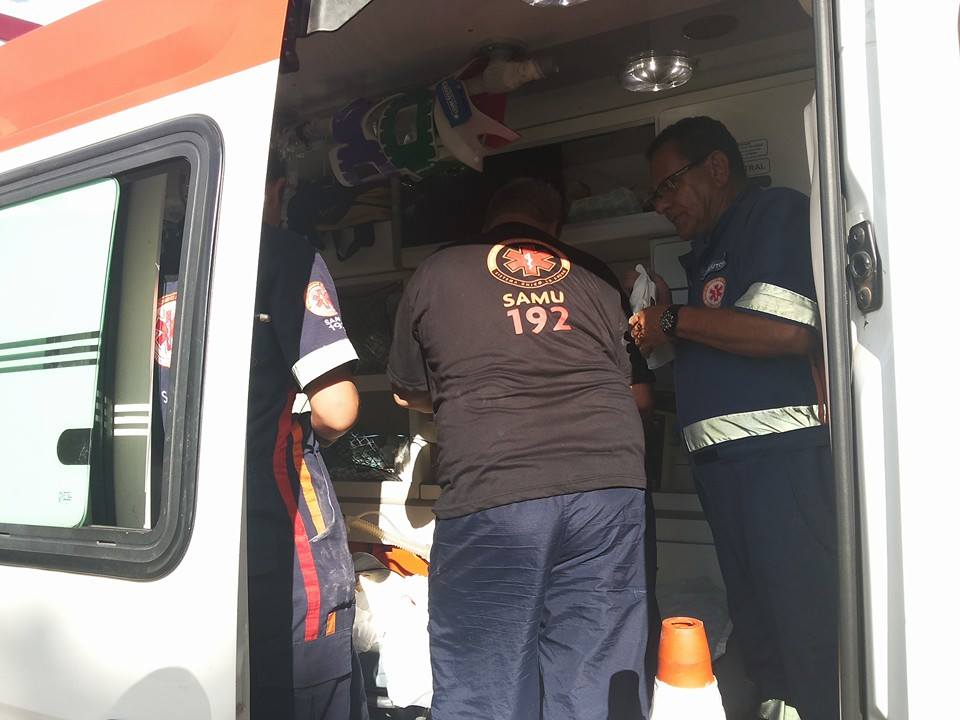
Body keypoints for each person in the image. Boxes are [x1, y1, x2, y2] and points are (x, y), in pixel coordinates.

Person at [387, 177, 654, 720]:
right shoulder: (592, 274)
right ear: (554, 229)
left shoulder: (438, 270)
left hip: (498, 486)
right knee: (595, 676)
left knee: (485, 681)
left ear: (491, 222)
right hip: (606, 487)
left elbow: (406, 388)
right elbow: (638, 393)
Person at [631, 116, 838, 720]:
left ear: (717, 168)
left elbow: (786, 330)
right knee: (760, 625)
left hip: (780, 462)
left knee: (805, 622)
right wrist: (668, 324)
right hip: (729, 470)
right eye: (655, 195)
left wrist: (672, 321)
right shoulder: (709, 252)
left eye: (669, 186)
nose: (662, 205)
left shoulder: (772, 213)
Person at [155, 152, 368, 719]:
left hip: (182, 544)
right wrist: (300, 423)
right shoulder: (280, 255)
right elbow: (338, 409)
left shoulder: (151, 267)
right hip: (280, 536)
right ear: (274, 189)